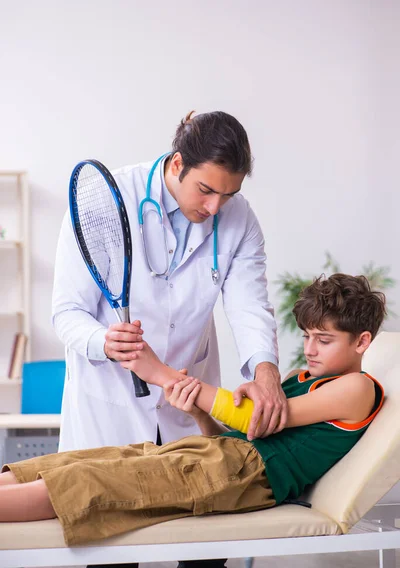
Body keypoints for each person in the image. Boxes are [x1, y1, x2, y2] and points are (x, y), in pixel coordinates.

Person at [1, 274, 385, 550]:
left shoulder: (357, 387)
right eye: (306, 337)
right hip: (221, 460)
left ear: (362, 341)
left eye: (324, 339)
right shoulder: (298, 378)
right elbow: (237, 440)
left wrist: (161, 375)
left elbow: (255, 427)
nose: (311, 348)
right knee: (74, 463)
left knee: (87, 482)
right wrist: (201, 416)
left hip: (242, 475)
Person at [52, 110, 284, 455]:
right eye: (205, 190)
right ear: (177, 164)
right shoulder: (107, 200)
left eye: (228, 195)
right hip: (110, 408)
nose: (215, 207)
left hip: (187, 410)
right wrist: (105, 342)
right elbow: (67, 312)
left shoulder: (240, 219)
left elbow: (249, 305)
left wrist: (266, 374)